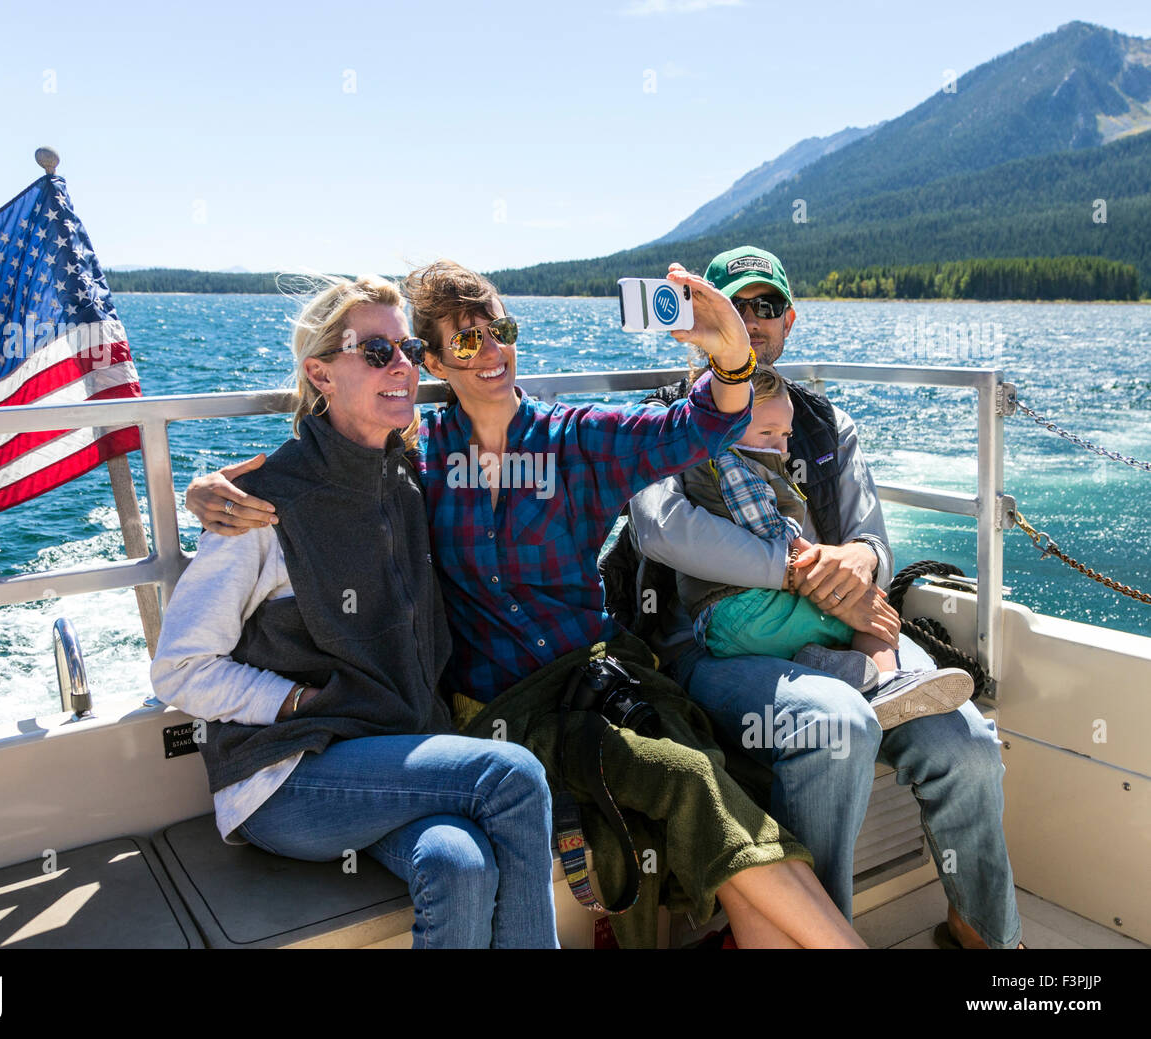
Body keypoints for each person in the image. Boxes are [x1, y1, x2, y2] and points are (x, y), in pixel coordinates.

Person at [189, 259, 866, 949]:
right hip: (500, 714)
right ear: (432, 359)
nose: (491, 353)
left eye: (501, 330)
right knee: (693, 781)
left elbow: (697, 430)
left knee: (716, 784)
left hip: (598, 680)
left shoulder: (574, 440)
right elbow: (324, 469)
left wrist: (728, 360)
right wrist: (206, 487)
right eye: (465, 342)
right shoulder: (417, 459)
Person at [628, 245, 1022, 948]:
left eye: (766, 305)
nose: (752, 319)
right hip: (714, 641)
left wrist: (856, 560)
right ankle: (819, 935)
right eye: (735, 305)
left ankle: (984, 932)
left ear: (790, 320)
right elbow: (663, 530)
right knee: (835, 723)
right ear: (702, 313)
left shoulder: (823, 422)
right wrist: (799, 568)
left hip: (835, 622)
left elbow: (873, 540)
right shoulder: (664, 417)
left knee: (965, 738)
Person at [151, 275, 560, 949]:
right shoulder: (257, 503)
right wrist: (292, 701)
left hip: (387, 756)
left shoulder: (407, 480)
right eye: (375, 351)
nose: (400, 364)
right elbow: (179, 669)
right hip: (289, 777)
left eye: (404, 347)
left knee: (460, 864)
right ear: (320, 373)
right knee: (511, 775)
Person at [678, 363, 974, 730]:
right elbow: (773, 531)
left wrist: (855, 566)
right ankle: (886, 684)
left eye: (786, 434)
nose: (782, 447)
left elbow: (866, 540)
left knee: (861, 605)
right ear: (728, 424)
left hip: (739, 616)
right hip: (742, 612)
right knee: (873, 616)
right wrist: (838, 587)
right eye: (767, 432)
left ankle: (828, 664)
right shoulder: (732, 466)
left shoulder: (704, 451)